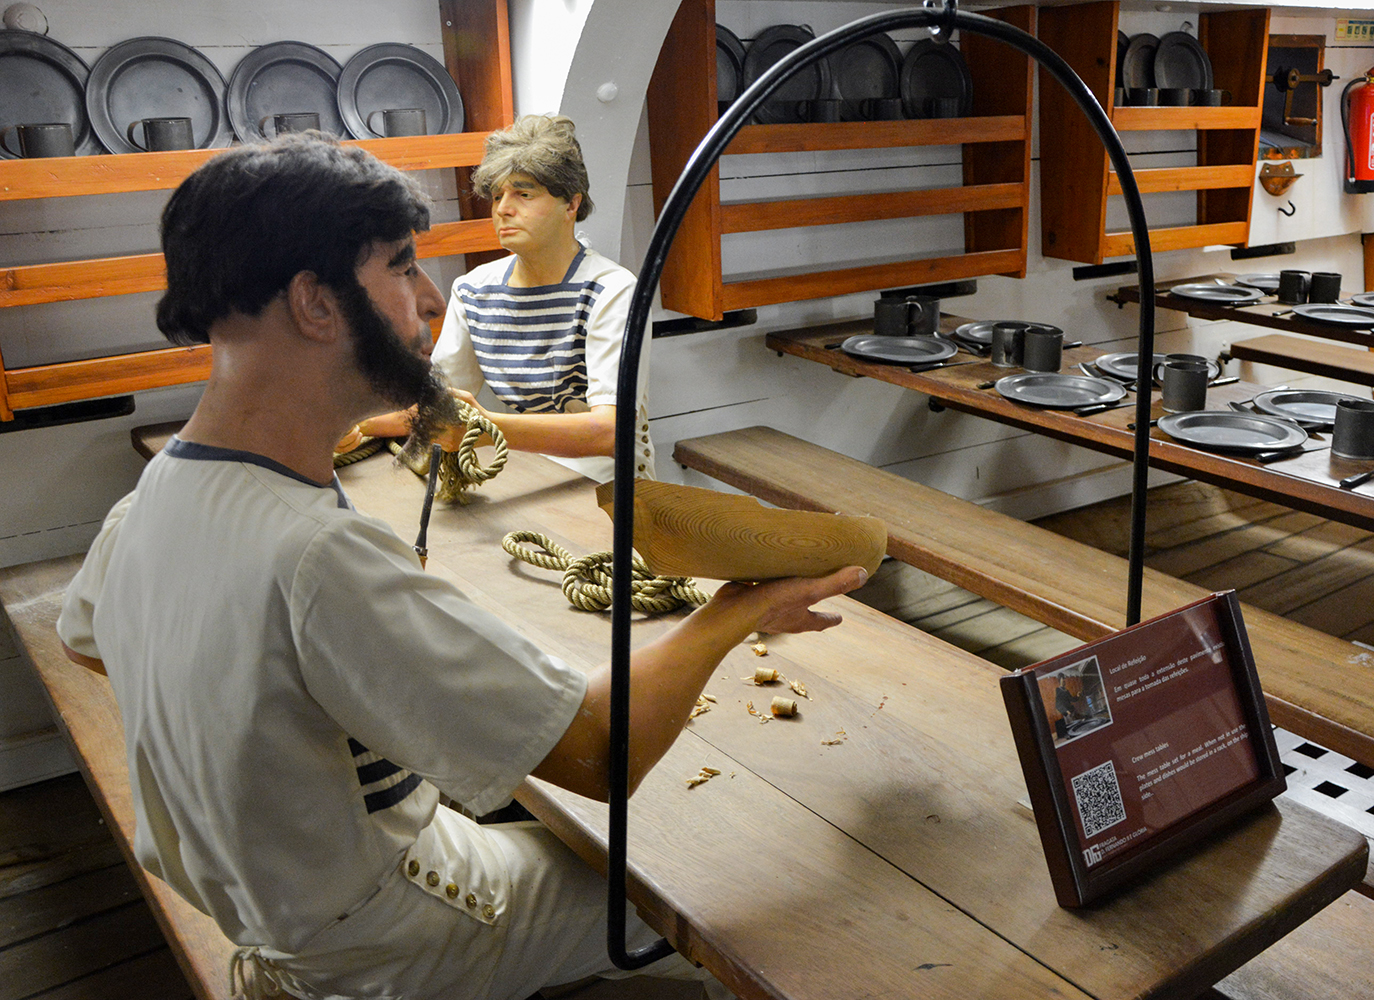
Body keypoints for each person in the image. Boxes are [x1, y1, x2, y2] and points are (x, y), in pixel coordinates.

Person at [54, 133, 864, 1000]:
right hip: (386, 936)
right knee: (704, 880)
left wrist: (294, 751)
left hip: (277, 906)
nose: (429, 299)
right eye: (402, 269)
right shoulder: (317, 554)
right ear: (314, 303)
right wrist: (737, 609)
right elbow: (600, 755)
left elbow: (89, 641)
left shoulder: (154, 499)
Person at [361, 114, 652, 481]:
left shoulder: (611, 291)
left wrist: (486, 429)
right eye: (497, 196)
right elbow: (439, 405)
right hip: (532, 473)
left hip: (613, 485)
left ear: (571, 205)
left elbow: (612, 432)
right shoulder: (473, 291)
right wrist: (357, 426)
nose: (503, 208)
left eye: (524, 194)